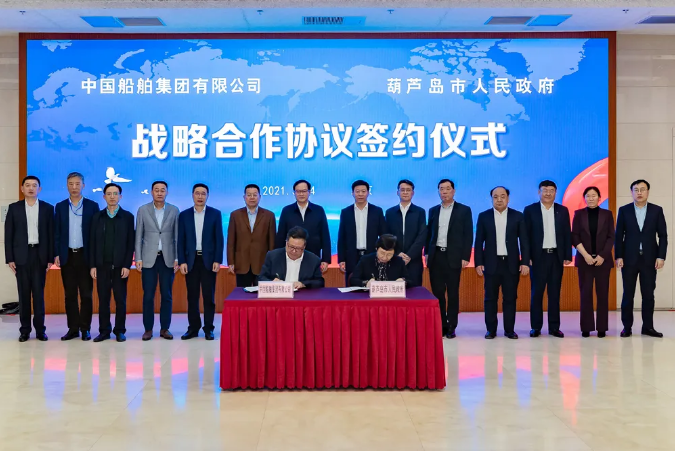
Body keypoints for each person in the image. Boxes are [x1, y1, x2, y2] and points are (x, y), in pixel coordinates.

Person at [474, 186, 530, 340]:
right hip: (491, 263)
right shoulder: (484, 216)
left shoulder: (517, 216)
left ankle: (509, 330)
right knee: (490, 298)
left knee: (510, 298)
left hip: (511, 264)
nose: (499, 199)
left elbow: (524, 241)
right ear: (491, 198)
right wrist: (478, 262)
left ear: (508, 198)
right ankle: (491, 330)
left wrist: (525, 262)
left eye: (502, 196)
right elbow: (478, 242)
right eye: (495, 197)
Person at [615, 179, 668, 338]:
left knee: (648, 295)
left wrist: (661, 256)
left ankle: (648, 327)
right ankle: (627, 327)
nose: (639, 193)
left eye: (642, 189)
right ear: (631, 192)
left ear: (647, 192)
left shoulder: (656, 210)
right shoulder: (624, 210)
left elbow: (663, 236)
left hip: (650, 260)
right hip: (629, 259)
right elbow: (618, 236)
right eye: (636, 190)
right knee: (628, 295)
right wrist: (618, 256)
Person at [5, 176, 54, 342]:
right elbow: (9, 235)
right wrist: (10, 258)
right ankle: (25, 330)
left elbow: (51, 234)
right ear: (22, 189)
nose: (31, 188)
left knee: (39, 296)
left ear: (39, 189)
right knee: (24, 295)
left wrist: (50, 258)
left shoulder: (48, 208)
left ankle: (40, 330)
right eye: (27, 185)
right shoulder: (14, 208)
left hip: (39, 256)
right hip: (21, 257)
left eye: (34, 185)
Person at [523, 180, 572, 338]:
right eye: (545, 190)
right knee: (537, 293)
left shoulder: (562, 210)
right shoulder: (530, 210)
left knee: (554, 293)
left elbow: (567, 233)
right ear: (539, 192)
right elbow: (525, 236)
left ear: (556, 193)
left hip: (556, 257)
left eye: (551, 190)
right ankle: (536, 327)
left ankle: (554, 327)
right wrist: (527, 258)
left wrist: (567, 255)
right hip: (538, 258)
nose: (548, 193)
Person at [54, 172, 98, 341]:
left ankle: (85, 328)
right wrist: (56, 253)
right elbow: (57, 233)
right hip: (67, 256)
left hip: (85, 256)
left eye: (77, 184)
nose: (74, 187)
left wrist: (94, 259)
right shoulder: (60, 206)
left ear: (83, 186)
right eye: (71, 184)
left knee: (86, 295)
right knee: (70, 295)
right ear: (67, 186)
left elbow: (95, 235)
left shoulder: (92, 206)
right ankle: (73, 329)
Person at [426, 179, 473, 339]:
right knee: (438, 292)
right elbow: (429, 234)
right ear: (438, 191)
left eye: (447, 188)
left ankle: (452, 325)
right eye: (441, 189)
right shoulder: (433, 210)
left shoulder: (464, 210)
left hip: (453, 257)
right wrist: (427, 253)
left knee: (452, 293)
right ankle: (441, 324)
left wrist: (465, 256)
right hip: (436, 256)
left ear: (453, 191)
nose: (444, 192)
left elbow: (468, 235)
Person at [177, 183, 224, 341]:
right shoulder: (184, 215)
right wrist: (182, 261)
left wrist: (217, 259)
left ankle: (209, 328)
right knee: (192, 297)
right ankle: (193, 328)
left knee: (209, 297)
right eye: (197, 193)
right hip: (191, 261)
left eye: (203, 193)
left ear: (207, 196)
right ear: (192, 195)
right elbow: (181, 240)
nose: (200, 196)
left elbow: (219, 239)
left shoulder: (215, 214)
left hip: (208, 261)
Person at [89, 183, 135, 343]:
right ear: (104, 197)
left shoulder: (127, 217)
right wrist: (93, 265)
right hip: (102, 266)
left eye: (115, 194)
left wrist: (127, 265)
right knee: (103, 300)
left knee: (120, 300)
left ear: (120, 196)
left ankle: (120, 330)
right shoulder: (97, 217)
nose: (112, 196)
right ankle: (104, 331)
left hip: (120, 267)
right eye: (109, 194)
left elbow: (130, 243)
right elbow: (92, 243)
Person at [135, 181, 180, 341]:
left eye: (162, 190)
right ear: (151, 192)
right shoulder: (143, 210)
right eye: (156, 190)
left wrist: (177, 258)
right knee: (148, 295)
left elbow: (177, 236)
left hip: (168, 258)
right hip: (148, 259)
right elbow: (138, 236)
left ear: (167, 192)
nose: (159, 193)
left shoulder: (174, 210)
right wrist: (138, 258)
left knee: (166, 295)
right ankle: (148, 329)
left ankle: (165, 328)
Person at [571, 186, 615, 338]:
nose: (591, 198)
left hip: (603, 261)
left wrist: (602, 255)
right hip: (585, 261)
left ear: (599, 198)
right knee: (585, 294)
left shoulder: (607, 214)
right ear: (584, 198)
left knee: (603, 294)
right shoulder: (579, 214)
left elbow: (611, 236)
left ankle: (602, 328)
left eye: (594, 195)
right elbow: (575, 236)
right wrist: (585, 255)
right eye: (588, 196)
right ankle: (586, 327)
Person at [337, 180, 388, 285]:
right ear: (352, 193)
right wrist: (341, 259)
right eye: (357, 191)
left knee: (372, 284)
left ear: (368, 193)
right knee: (352, 285)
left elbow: (384, 235)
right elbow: (342, 237)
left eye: (363, 191)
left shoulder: (377, 211)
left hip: (372, 255)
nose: (360, 194)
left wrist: (383, 254)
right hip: (352, 256)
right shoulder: (346, 212)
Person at [275, 180, 331, 272]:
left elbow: (325, 236)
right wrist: (278, 257)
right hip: (291, 256)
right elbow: (281, 236)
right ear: (294, 193)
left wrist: (325, 259)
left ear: (309, 192)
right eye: (298, 191)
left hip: (313, 256)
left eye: (304, 191)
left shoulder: (318, 210)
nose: (301, 194)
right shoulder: (287, 210)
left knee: (313, 280)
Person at [227, 184, 276, 287]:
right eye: (249, 195)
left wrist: (272, 263)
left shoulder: (269, 215)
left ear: (260, 197)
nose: (252, 197)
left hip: (262, 263)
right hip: (242, 263)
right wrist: (231, 262)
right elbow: (231, 241)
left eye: (254, 195)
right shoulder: (235, 215)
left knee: (262, 294)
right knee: (243, 294)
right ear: (244, 197)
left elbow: (272, 242)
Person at [385, 180, 426, 287]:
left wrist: (409, 255)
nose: (405, 192)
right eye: (402, 190)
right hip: (394, 258)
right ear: (397, 192)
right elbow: (387, 235)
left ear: (413, 193)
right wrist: (397, 253)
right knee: (394, 291)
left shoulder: (420, 212)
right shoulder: (390, 213)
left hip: (414, 260)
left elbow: (422, 236)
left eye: (408, 190)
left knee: (414, 291)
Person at [259, 226, 325, 289]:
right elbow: (261, 278)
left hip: (302, 295)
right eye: (291, 247)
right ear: (286, 243)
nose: (294, 251)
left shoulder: (314, 260)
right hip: (279, 294)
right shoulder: (272, 256)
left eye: (298, 248)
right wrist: (272, 282)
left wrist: (303, 284)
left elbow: (319, 282)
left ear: (304, 246)